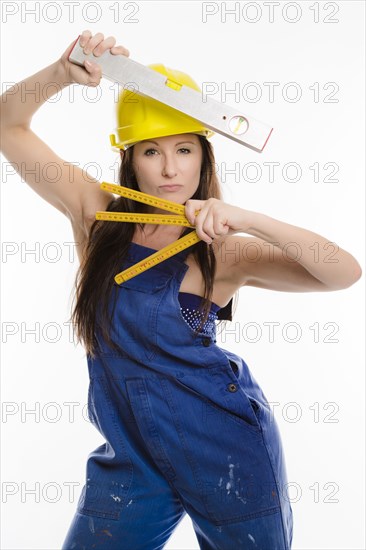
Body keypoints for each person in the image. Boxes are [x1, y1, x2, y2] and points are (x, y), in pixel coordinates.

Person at [1, 30, 362, 550]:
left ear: (203, 155)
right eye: (152, 151)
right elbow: (6, 124)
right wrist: (62, 73)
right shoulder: (97, 215)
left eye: (184, 149)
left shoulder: (223, 251)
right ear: (130, 158)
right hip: (130, 462)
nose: (170, 169)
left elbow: (344, 272)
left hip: (228, 452)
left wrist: (249, 219)